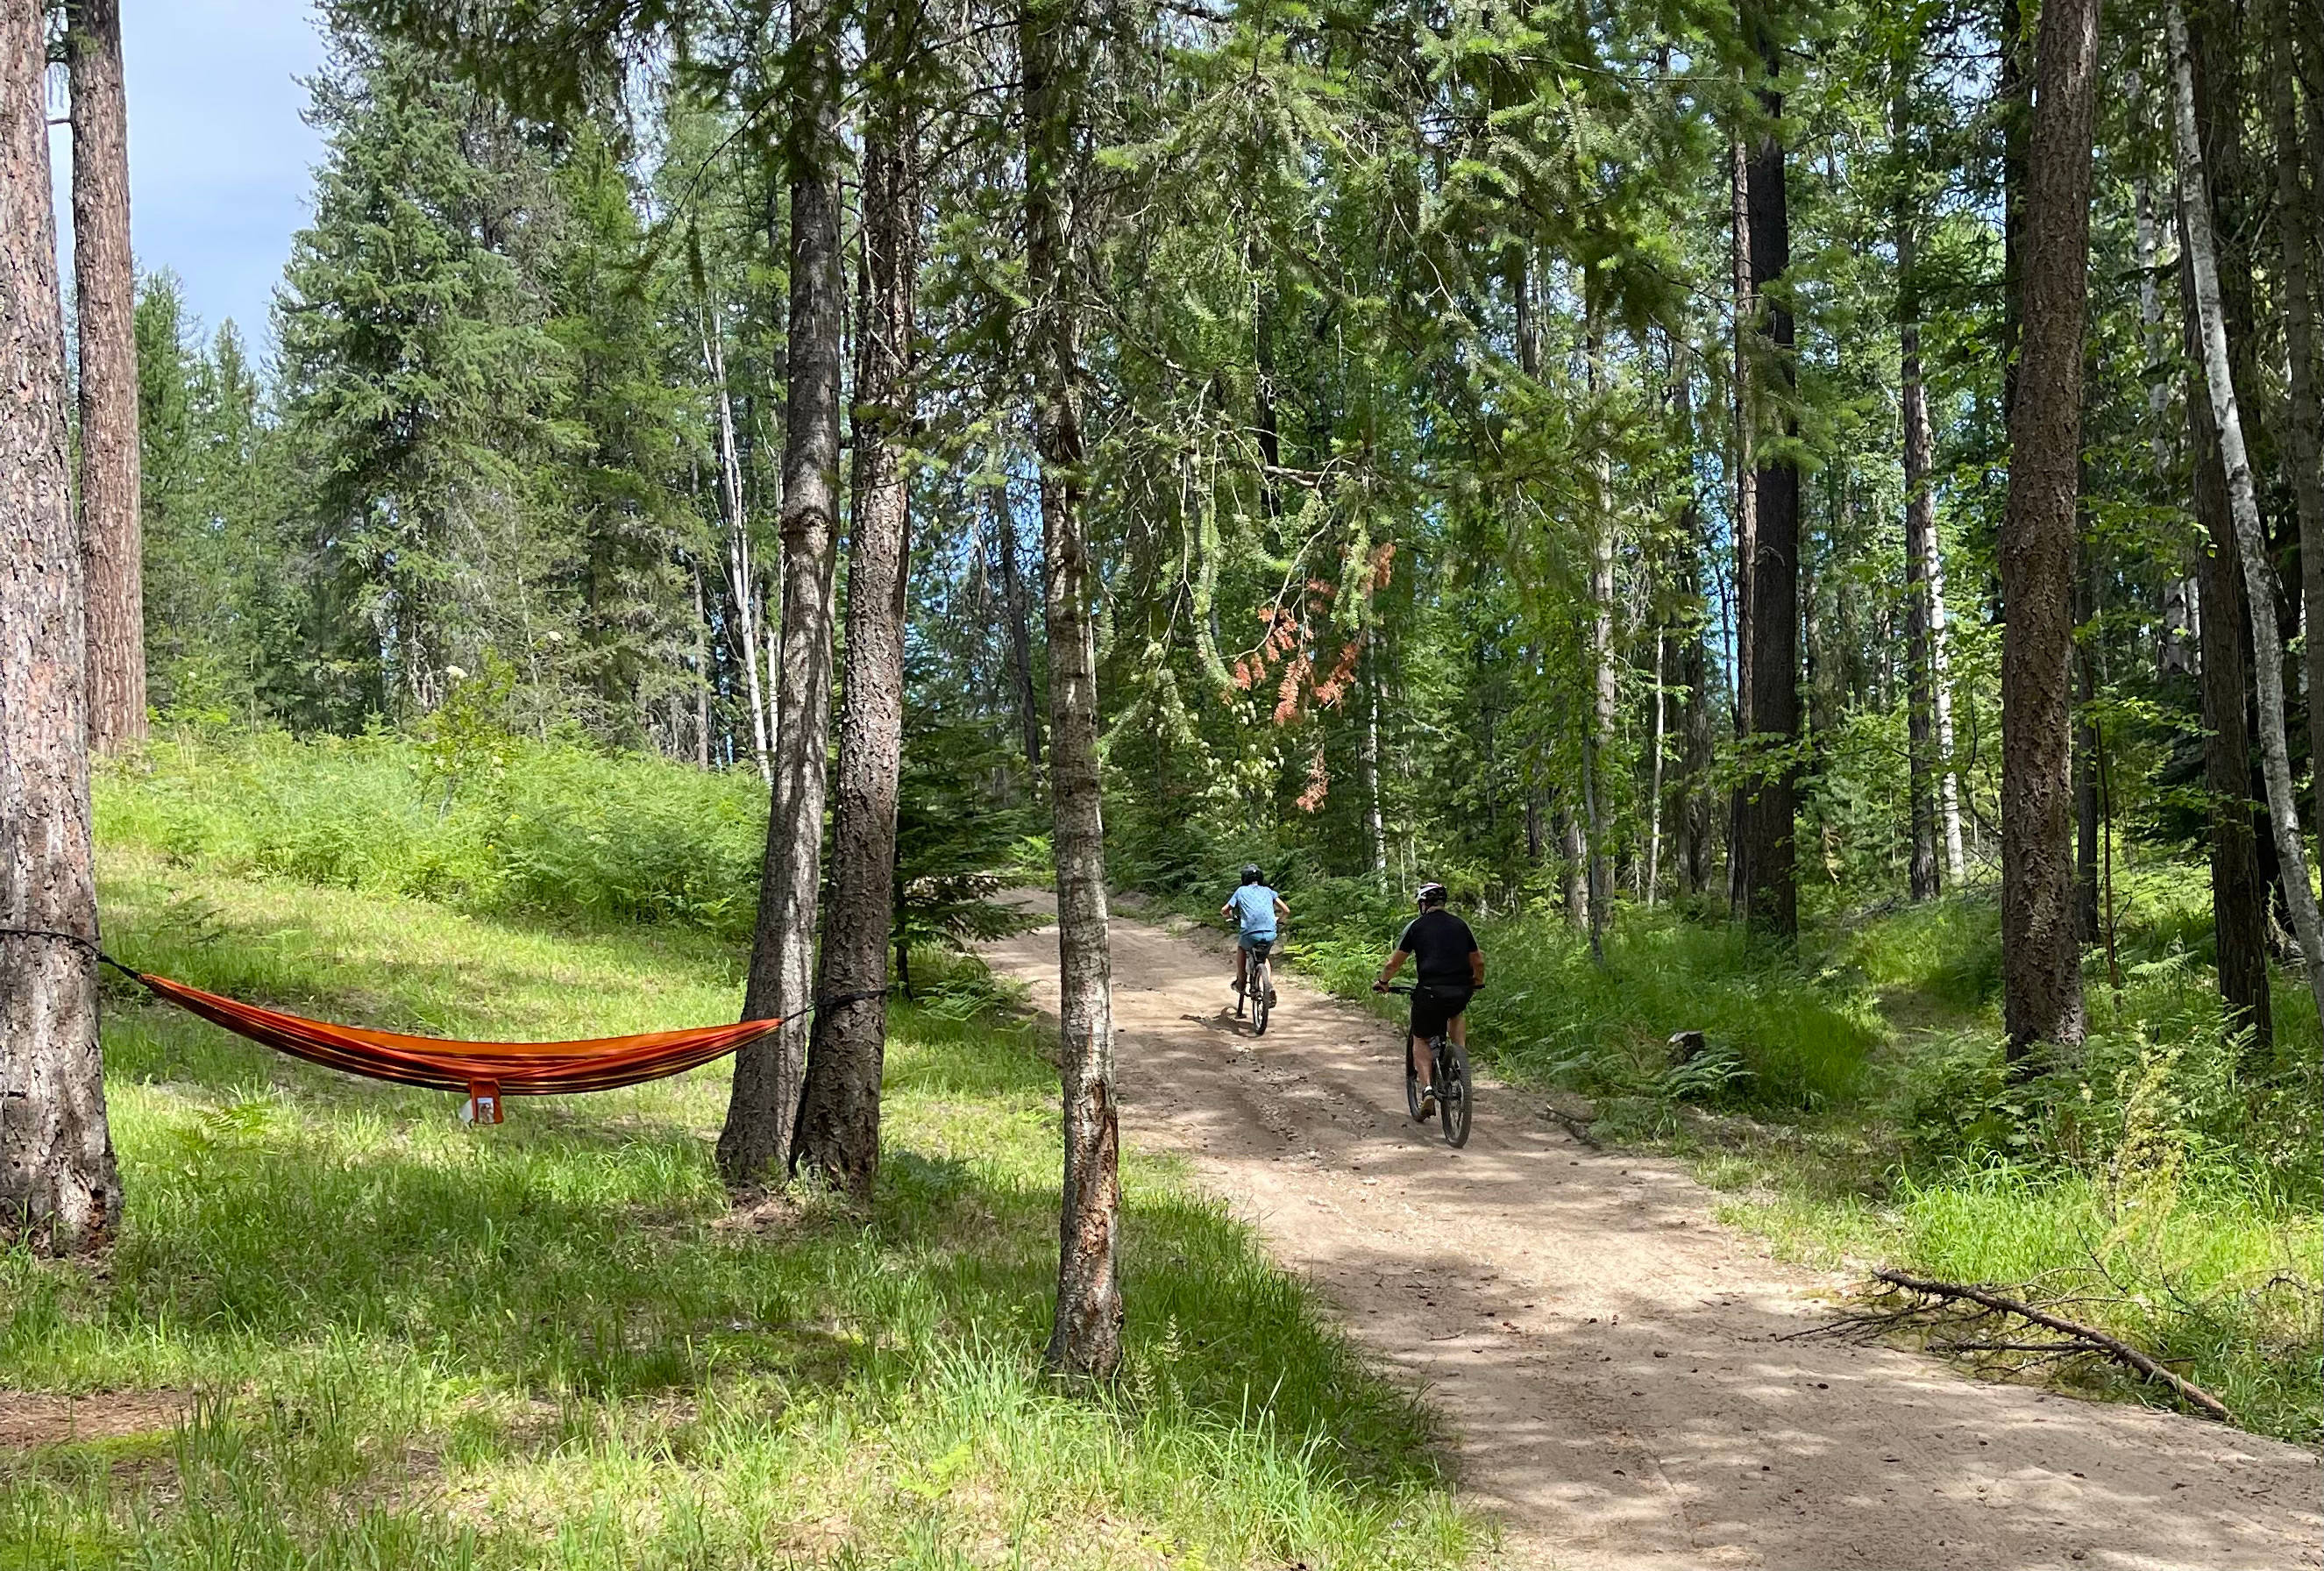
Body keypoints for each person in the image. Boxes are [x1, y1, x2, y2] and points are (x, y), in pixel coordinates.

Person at [1372, 882, 1482, 1118]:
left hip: (1430, 991)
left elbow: (1393, 964)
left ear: (1424, 904)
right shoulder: (1461, 925)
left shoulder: (1416, 927)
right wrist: (1477, 982)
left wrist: (1383, 982)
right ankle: (1460, 1060)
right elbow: (1478, 962)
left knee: (1420, 1037)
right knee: (1455, 1012)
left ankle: (1429, 1089)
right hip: (1459, 990)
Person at [1221, 864, 1290, 1013]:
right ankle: (1268, 985)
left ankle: (1241, 982)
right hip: (1270, 932)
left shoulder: (1241, 891)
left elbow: (1225, 910)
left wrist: (1229, 917)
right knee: (1264, 958)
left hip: (1250, 933)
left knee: (1241, 948)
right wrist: (1280, 920)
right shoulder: (1268, 891)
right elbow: (1286, 910)